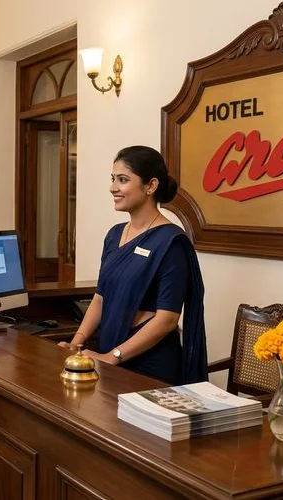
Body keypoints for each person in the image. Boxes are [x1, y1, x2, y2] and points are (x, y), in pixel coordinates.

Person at [58, 146, 207, 385]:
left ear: (151, 186)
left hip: (149, 366)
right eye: (113, 178)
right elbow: (100, 298)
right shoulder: (114, 235)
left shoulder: (171, 243)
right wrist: (77, 343)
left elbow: (167, 319)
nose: (112, 187)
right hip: (109, 357)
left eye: (123, 180)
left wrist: (112, 357)